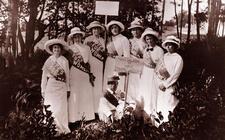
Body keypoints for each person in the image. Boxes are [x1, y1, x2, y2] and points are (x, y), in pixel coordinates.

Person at [41, 39, 70, 134]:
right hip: (51, 86)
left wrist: (68, 88)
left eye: (58, 47)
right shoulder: (48, 61)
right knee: (51, 107)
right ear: (52, 49)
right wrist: (43, 89)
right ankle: (50, 127)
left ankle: (61, 129)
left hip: (61, 86)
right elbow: (44, 76)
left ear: (61, 49)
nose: (56, 49)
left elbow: (67, 75)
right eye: (54, 48)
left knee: (60, 108)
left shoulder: (64, 60)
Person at [67, 27, 95, 123]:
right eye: (75, 37)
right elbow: (68, 64)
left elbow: (90, 61)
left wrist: (91, 73)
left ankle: (87, 117)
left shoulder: (87, 48)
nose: (77, 39)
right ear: (72, 38)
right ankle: (74, 118)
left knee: (85, 94)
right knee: (75, 94)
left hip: (85, 74)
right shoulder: (70, 49)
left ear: (81, 37)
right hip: (74, 73)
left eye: (79, 37)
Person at [155, 35, 183, 124]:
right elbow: (158, 70)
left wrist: (166, 84)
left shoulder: (178, 58)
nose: (168, 47)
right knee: (160, 103)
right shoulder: (164, 56)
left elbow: (176, 74)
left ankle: (169, 125)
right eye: (167, 45)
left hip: (170, 85)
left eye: (171, 45)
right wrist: (160, 82)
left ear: (175, 46)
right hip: (161, 85)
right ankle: (159, 124)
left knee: (170, 104)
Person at [139, 28, 164, 119]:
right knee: (144, 91)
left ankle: (151, 113)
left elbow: (161, 64)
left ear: (154, 39)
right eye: (147, 39)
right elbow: (143, 62)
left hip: (154, 73)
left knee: (152, 92)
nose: (149, 41)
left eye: (150, 38)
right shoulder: (145, 50)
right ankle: (144, 112)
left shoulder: (159, 50)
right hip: (145, 72)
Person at [84, 21, 106, 115]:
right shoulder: (87, 40)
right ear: (91, 30)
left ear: (100, 30)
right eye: (93, 29)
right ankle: (89, 109)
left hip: (99, 65)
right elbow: (84, 53)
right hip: (91, 64)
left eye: (97, 28)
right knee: (90, 85)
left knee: (98, 86)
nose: (95, 30)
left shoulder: (102, 40)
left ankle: (97, 109)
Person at [103, 20, 130, 92]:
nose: (114, 29)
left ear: (119, 29)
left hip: (118, 62)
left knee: (117, 82)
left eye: (116, 27)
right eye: (112, 28)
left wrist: (124, 67)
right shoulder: (108, 39)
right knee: (108, 81)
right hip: (109, 62)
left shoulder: (124, 39)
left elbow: (126, 55)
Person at [127, 18, 145, 101]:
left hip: (142, 64)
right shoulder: (129, 41)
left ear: (141, 31)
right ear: (131, 31)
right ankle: (131, 103)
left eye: (137, 30)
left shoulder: (144, 41)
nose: (135, 32)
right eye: (133, 30)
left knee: (140, 84)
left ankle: (140, 104)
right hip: (132, 64)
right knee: (131, 84)